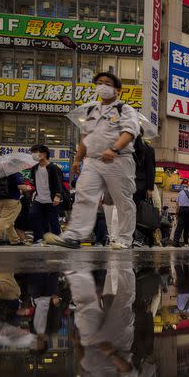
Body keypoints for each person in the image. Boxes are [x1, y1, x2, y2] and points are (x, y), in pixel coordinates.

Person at [45, 72, 139, 249]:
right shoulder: (91, 110)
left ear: (117, 89)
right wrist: (77, 160)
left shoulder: (124, 109)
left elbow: (129, 132)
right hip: (93, 161)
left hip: (118, 160)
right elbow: (85, 137)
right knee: (84, 195)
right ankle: (74, 235)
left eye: (108, 83)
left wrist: (114, 148)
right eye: (99, 83)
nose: (103, 86)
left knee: (123, 201)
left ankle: (125, 239)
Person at [28, 145, 63, 244]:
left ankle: (57, 239)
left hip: (51, 199)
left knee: (53, 221)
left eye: (36, 152)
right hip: (39, 198)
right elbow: (33, 182)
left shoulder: (53, 168)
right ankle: (39, 238)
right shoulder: (34, 168)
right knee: (32, 216)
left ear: (44, 154)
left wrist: (57, 196)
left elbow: (58, 182)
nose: (34, 154)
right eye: (33, 152)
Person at [0, 164, 29, 246]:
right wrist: (28, 187)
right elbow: (21, 187)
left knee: (9, 220)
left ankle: (14, 240)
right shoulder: (14, 172)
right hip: (11, 200)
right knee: (5, 219)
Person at [132, 132, 156, 247]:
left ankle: (140, 237)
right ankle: (133, 237)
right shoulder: (129, 148)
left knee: (141, 211)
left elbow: (151, 169)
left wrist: (150, 188)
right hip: (129, 183)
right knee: (131, 211)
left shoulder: (148, 149)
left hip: (141, 185)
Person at [172, 180, 189, 247]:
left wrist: (176, 212)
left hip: (182, 210)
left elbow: (177, 204)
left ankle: (176, 241)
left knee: (179, 226)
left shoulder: (181, 192)